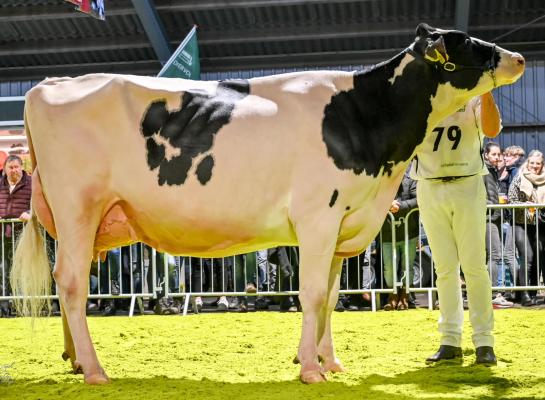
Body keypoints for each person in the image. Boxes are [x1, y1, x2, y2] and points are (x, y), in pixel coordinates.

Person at [411, 92, 500, 365]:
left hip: (468, 183)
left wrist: (486, 92)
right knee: (444, 268)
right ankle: (450, 339)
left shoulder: (472, 96)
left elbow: (492, 129)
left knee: (474, 266)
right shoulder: (420, 99)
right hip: (429, 185)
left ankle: (484, 341)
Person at [507, 150, 545, 306]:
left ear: (542, 165)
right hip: (521, 223)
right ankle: (524, 294)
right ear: (527, 164)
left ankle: (533, 293)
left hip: (540, 224)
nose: (534, 166)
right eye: (532, 163)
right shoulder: (518, 178)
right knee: (527, 257)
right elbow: (511, 201)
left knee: (538, 258)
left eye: (538, 163)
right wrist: (526, 205)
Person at [380, 166, 419, 311]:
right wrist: (387, 204)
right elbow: (374, 198)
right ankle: (392, 295)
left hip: (409, 231)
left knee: (407, 267)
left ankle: (405, 296)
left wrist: (400, 206)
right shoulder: (382, 181)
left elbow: (419, 199)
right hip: (387, 232)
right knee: (389, 269)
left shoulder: (411, 180)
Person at [483, 142, 514, 308]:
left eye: (498, 154)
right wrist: (493, 205)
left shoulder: (492, 170)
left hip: (492, 216)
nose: (497, 157)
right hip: (488, 217)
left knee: (492, 255)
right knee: (494, 254)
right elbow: (480, 196)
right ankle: (493, 293)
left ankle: (491, 293)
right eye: (494, 154)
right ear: (486, 155)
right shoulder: (484, 171)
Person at [0, 155, 32, 317]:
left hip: (23, 234)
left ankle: (21, 305)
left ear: (21, 167)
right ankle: (4, 306)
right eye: (10, 167)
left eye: (16, 167)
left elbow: (38, 205)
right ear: (5, 169)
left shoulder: (31, 183)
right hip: (2, 234)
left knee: (20, 270)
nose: (14, 170)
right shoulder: (0, 183)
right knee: (3, 269)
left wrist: (29, 213)